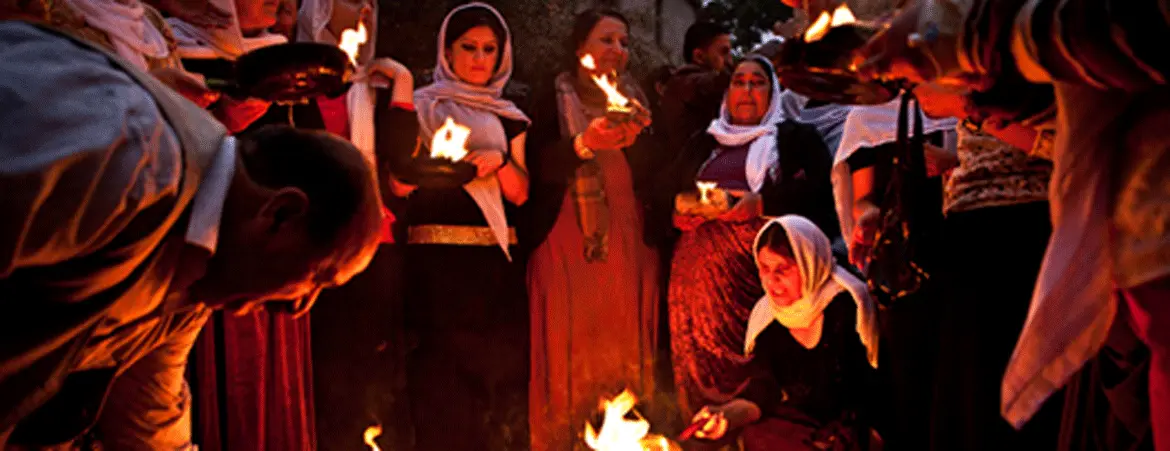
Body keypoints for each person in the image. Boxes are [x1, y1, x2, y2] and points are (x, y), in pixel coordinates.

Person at [0, 20, 382, 449]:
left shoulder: (192, 281)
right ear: (280, 214)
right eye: (319, 279)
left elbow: (151, 415)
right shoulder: (127, 160)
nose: (296, 309)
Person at [856, 2, 1170, 449]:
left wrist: (973, 68)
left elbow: (1133, 38)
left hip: (1034, 232)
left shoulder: (1017, 30)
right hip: (1029, 234)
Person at [380, 3, 532, 450]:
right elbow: (398, 183)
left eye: (489, 49)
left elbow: (520, 193)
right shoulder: (421, 106)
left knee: (497, 379)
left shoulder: (511, 115)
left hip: (493, 266)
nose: (479, 58)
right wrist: (434, 168)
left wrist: (498, 163)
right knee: (440, 382)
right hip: (436, 267)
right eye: (469, 47)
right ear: (448, 50)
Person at [657, 55, 840, 416]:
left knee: (756, 360)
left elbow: (822, 195)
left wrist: (761, 204)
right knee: (695, 367)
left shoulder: (794, 139)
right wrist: (679, 209)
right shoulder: (702, 142)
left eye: (758, 83)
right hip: (694, 282)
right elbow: (661, 193)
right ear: (726, 94)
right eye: (738, 82)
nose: (747, 90)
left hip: (755, 273)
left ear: (773, 95)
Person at [523, 8, 660, 451]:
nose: (617, 51)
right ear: (580, 48)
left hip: (625, 243)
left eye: (623, 42)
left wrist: (637, 142)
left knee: (619, 347)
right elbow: (538, 168)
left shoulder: (638, 103)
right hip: (567, 242)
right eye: (606, 40)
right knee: (571, 348)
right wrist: (586, 143)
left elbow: (654, 176)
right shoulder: (550, 99)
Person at [911, 83, 1063, 451]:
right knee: (970, 390)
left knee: (1024, 389)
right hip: (966, 230)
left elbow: (1067, 148)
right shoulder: (975, 68)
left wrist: (971, 111)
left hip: (1030, 227)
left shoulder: (1044, 66)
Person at [689, 216, 878, 450]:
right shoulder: (769, 319)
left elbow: (873, 392)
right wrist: (725, 416)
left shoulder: (849, 309)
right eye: (764, 268)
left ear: (809, 263)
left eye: (783, 269)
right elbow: (765, 388)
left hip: (853, 426)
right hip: (803, 426)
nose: (771, 281)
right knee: (757, 435)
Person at [658, 21, 732, 154]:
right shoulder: (685, 82)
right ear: (699, 56)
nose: (729, 60)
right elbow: (712, 84)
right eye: (723, 52)